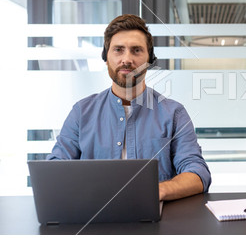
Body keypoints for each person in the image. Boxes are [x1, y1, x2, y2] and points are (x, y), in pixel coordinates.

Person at [48, 14, 211, 201]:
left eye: (136, 50)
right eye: (118, 50)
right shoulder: (81, 113)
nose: (127, 59)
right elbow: (55, 170)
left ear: (149, 59)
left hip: (156, 220)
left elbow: (198, 173)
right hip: (94, 219)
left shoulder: (174, 113)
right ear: (106, 57)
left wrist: (157, 191)